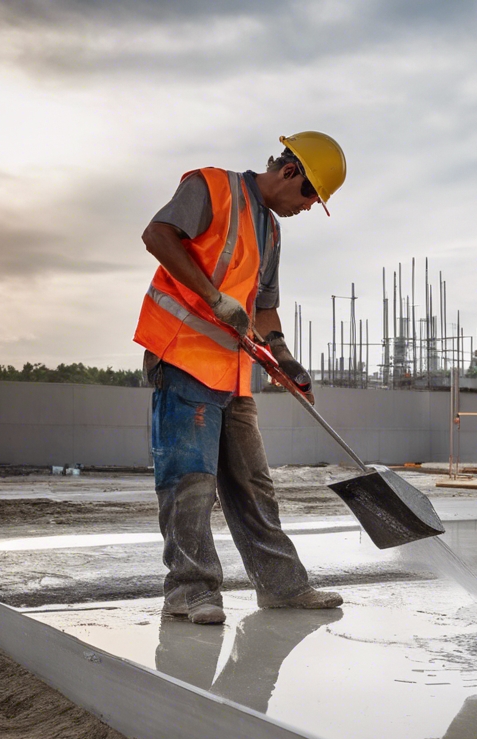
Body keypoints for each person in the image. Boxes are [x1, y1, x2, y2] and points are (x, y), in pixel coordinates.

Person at [133, 131, 347, 625]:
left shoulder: (271, 231)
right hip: (183, 356)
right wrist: (212, 297)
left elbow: (265, 308)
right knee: (190, 482)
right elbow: (157, 235)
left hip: (232, 372)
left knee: (252, 482)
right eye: (310, 196)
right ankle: (189, 591)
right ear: (291, 172)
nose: (309, 208)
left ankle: (283, 586)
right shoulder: (213, 187)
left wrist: (285, 360)